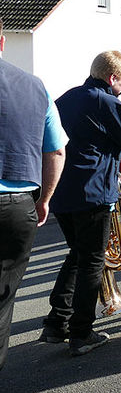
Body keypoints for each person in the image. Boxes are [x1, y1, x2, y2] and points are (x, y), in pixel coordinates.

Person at [41, 51, 121, 355]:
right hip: (93, 192)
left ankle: (57, 321)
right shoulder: (106, 100)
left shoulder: (67, 98)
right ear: (113, 78)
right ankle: (81, 332)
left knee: (78, 255)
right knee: (92, 261)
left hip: (62, 192)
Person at [0, 18, 66, 369]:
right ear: (2, 42)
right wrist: (44, 200)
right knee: (2, 303)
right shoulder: (35, 86)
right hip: (17, 205)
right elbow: (55, 151)